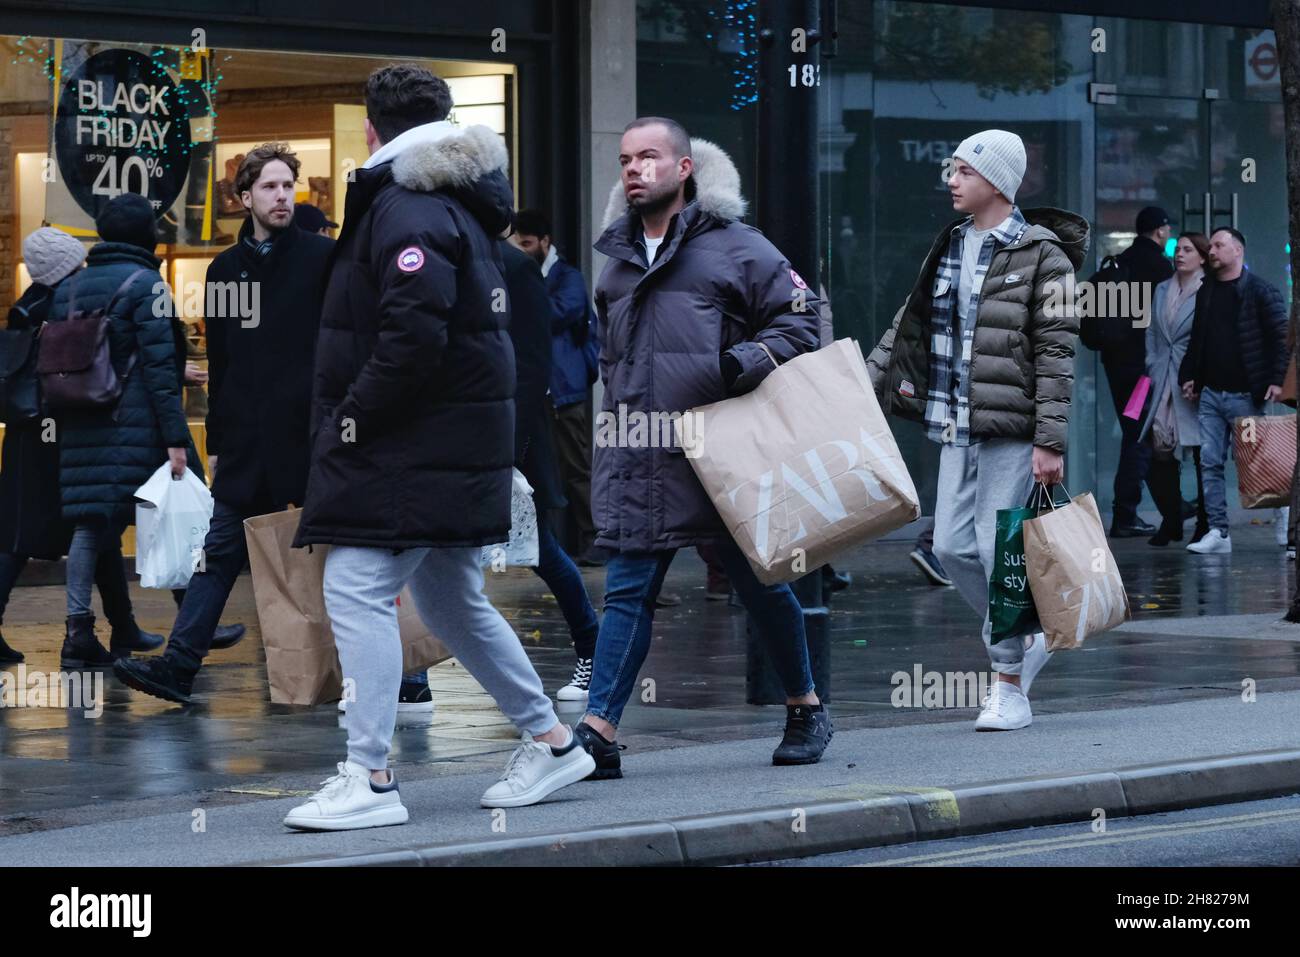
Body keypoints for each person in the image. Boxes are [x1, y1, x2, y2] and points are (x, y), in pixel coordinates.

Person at [283, 64, 593, 831]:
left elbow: (410, 338)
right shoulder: (449, 204)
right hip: (445, 441)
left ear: (369, 129)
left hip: (410, 446)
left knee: (355, 587)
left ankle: (370, 776)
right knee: (450, 596)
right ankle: (553, 740)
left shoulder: (407, 208)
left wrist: (348, 420)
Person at [572, 117, 831, 780]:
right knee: (628, 589)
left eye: (650, 156)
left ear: (685, 168)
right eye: (626, 159)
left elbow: (805, 321)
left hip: (723, 449)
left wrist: (740, 363)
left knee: (760, 584)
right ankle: (598, 731)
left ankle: (805, 706)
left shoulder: (738, 248)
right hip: (640, 453)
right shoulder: (617, 264)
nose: (634, 168)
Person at [866, 129, 1090, 732]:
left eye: (963, 170)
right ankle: (1027, 630)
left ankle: (1008, 683)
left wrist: (1050, 440)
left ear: (997, 180)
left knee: (997, 549)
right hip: (953, 422)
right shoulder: (949, 246)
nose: (951, 180)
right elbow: (906, 328)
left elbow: (1056, 354)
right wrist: (860, 389)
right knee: (948, 549)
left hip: (1012, 427)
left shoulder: (1044, 254)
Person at [114, 143, 334, 703]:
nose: (282, 196)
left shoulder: (320, 257)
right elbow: (226, 363)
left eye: (289, 186)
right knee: (218, 554)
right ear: (244, 198)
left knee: (347, 557)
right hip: (250, 442)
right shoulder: (225, 270)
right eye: (269, 187)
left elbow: (343, 346)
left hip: (313, 438)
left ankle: (405, 673)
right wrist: (219, 437)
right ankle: (180, 665)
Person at [47, 194, 202, 668]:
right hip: (132, 424)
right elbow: (158, 368)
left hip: (79, 420)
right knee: (175, 516)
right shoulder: (147, 284)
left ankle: (79, 631)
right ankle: (197, 622)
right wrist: (176, 437)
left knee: (90, 523)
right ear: (145, 235)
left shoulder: (68, 288)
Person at [0, 229, 159, 663]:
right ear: (65, 268)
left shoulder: (29, 304)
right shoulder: (55, 307)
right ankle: (115, 630)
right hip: (51, 432)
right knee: (29, 536)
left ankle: (122, 627)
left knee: (85, 526)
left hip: (31, 432)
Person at [1179, 226, 1288, 554]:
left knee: (1260, 463)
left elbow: (1280, 339)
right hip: (1211, 393)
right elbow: (1198, 338)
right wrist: (1191, 376)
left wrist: (1277, 379)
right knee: (1209, 462)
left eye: (1218, 245)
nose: (1211, 251)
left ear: (1237, 251)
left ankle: (1285, 515)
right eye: (1210, 246)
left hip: (1246, 394)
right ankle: (1218, 532)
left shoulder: (1260, 291)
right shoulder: (1207, 290)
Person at [510, 209, 601, 563]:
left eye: (528, 242)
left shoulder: (568, 278)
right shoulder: (524, 276)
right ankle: (551, 542)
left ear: (545, 242)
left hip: (564, 390)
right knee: (540, 469)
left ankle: (594, 539)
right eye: (518, 242)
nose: (522, 248)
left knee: (575, 468)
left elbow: (560, 313)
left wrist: (527, 301)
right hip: (535, 392)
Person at [1086, 207, 1174, 538]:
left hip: (1116, 363)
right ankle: (1125, 513)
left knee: (1140, 433)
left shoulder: (1119, 261)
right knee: (1139, 434)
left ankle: (1170, 505)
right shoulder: (1160, 266)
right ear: (1161, 231)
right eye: (1166, 228)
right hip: (1145, 367)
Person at [1138, 233, 1209, 546]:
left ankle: (1206, 523)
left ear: (1202, 257)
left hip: (1192, 379)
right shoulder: (1162, 288)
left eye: (1188, 250)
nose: (1180, 254)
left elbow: (1209, 337)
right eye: (1177, 249)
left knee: (1202, 453)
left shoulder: (1209, 289)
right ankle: (1173, 515)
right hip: (1161, 377)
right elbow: (1152, 331)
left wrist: (1200, 374)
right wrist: (1152, 363)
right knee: (1158, 449)